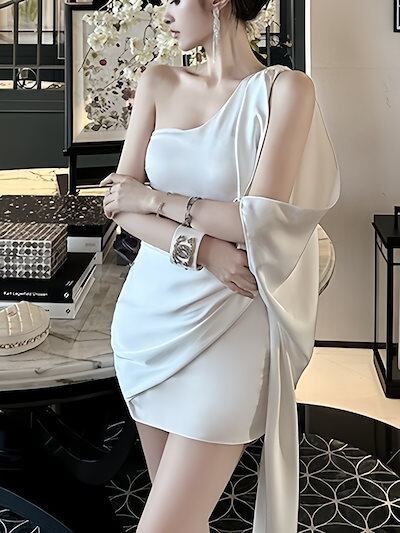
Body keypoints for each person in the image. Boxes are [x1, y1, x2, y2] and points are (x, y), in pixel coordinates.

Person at [99, 0, 340, 532]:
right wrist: (204, 250)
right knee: (183, 520)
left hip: (232, 321)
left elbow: (255, 221)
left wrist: (155, 199)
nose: (163, 13)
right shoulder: (158, 82)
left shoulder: (286, 91)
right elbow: (118, 203)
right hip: (148, 324)